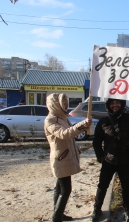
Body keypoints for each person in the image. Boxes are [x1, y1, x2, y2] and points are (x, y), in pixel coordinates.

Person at [91, 98, 129, 222]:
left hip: (125, 161)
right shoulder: (103, 121)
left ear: (122, 104)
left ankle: (128, 211)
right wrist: (100, 157)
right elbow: (96, 141)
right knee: (102, 186)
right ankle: (96, 209)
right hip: (108, 161)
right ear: (108, 105)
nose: (115, 105)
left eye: (117, 102)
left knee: (126, 187)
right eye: (112, 103)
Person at [44, 93, 92, 222]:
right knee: (65, 190)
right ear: (55, 105)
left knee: (59, 188)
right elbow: (64, 134)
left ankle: (59, 214)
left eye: (65, 103)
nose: (65, 105)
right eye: (62, 103)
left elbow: (70, 138)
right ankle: (56, 217)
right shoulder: (51, 120)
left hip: (65, 157)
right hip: (60, 159)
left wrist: (77, 150)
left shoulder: (63, 118)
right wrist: (83, 125)